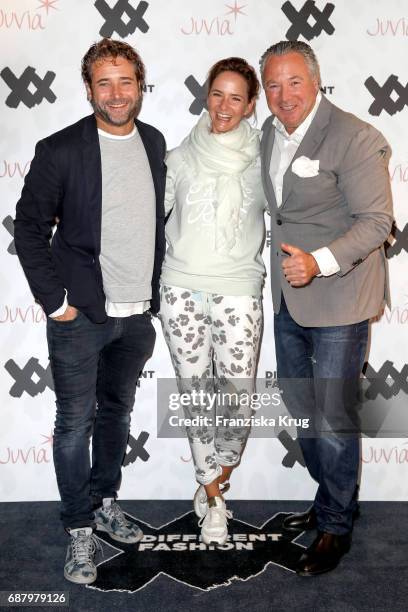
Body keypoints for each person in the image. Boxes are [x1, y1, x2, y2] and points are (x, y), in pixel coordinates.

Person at [14, 38, 166, 584]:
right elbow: (29, 228)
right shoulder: (60, 149)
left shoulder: (154, 142)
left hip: (137, 315)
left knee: (117, 414)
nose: (117, 93)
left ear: (140, 87)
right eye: (105, 82)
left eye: (126, 81)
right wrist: (55, 302)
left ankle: (104, 503)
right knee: (73, 424)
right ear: (88, 89)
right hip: (80, 317)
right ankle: (79, 529)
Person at [259, 40, 393, 575]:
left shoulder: (356, 136)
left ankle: (336, 526)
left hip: (340, 294)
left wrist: (318, 262)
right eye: (272, 84)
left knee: (335, 417)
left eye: (294, 82)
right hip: (289, 296)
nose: (283, 94)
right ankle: (328, 499)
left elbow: (377, 222)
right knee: (300, 406)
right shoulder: (269, 134)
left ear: (316, 81)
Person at [160, 57, 265, 545]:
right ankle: (212, 497)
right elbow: (146, 219)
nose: (224, 106)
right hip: (181, 287)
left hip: (239, 287)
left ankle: (217, 476)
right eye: (217, 94)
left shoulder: (265, 161)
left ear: (250, 105)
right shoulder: (179, 157)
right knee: (197, 396)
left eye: (236, 97)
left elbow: (297, 211)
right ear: (207, 95)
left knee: (238, 398)